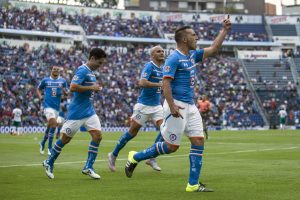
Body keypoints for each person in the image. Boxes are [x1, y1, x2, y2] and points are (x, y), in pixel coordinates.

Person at [124, 16, 231, 192]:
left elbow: (214, 48)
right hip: (177, 105)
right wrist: (172, 106)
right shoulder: (174, 58)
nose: (197, 38)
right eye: (193, 35)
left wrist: (224, 30)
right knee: (171, 147)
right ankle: (135, 156)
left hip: (190, 106)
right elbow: (166, 83)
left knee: (198, 140)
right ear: (184, 39)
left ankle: (193, 184)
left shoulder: (192, 55)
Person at [42, 48, 107, 180]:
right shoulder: (82, 70)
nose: (100, 66)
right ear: (93, 58)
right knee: (65, 139)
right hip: (77, 113)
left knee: (97, 136)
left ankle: (88, 166)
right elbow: (72, 87)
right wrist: (91, 87)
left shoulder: (92, 73)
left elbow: (87, 90)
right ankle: (49, 162)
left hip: (89, 111)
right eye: (99, 63)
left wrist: (95, 89)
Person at [108, 45, 165, 172]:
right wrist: (159, 84)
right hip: (143, 106)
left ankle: (151, 157)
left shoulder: (163, 69)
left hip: (156, 106)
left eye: (162, 51)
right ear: (152, 55)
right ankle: (113, 154)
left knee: (165, 130)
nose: (162, 53)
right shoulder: (149, 66)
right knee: (132, 132)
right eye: (158, 51)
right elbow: (142, 82)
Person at [37, 66, 68, 155]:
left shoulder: (63, 81)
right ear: (51, 70)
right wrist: (40, 96)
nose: (56, 71)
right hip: (47, 107)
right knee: (54, 124)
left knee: (50, 126)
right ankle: (50, 148)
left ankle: (42, 142)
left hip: (56, 108)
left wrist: (64, 91)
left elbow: (66, 94)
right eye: (54, 69)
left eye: (58, 70)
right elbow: (38, 89)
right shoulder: (45, 80)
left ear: (59, 72)